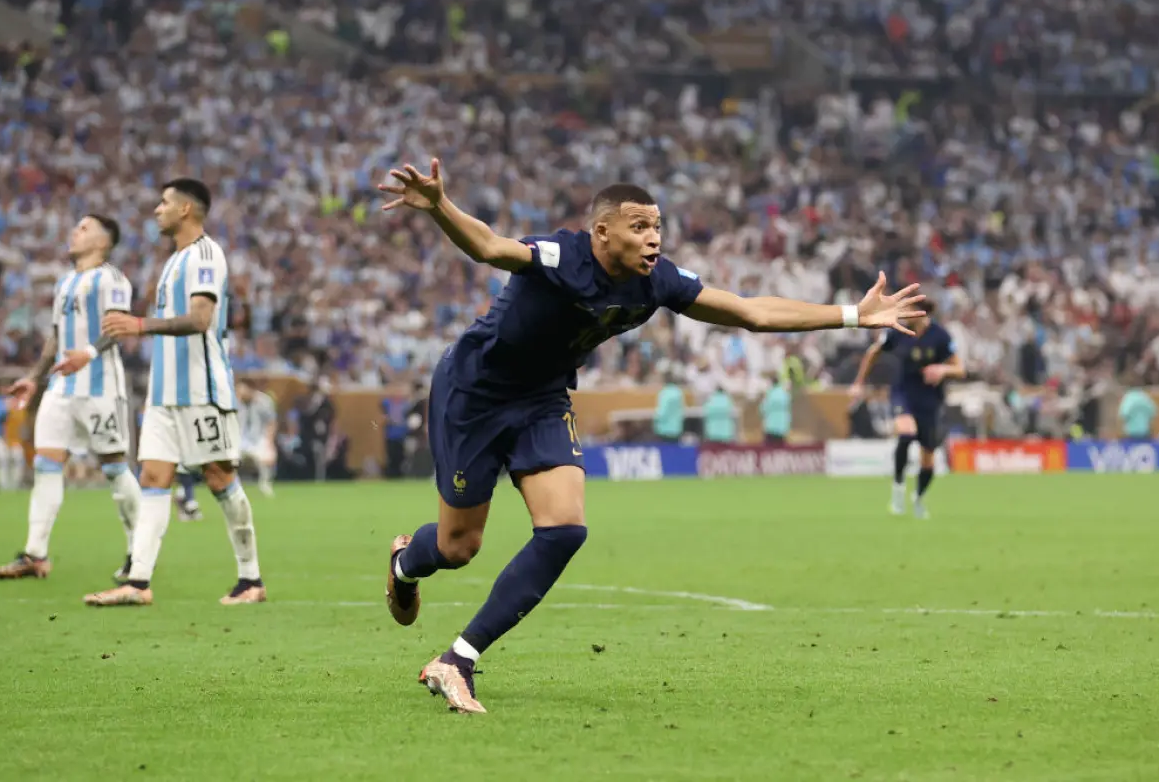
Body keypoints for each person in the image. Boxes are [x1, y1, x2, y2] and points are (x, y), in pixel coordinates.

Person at [376, 158, 925, 714]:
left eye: (657, 227)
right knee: (458, 546)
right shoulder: (562, 256)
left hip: (541, 400)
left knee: (565, 529)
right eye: (639, 227)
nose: (653, 238)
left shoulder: (657, 281)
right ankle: (406, 562)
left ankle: (458, 660)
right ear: (602, 232)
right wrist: (441, 206)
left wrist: (854, 314)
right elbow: (491, 247)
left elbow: (752, 313)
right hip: (474, 394)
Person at [80, 178, 265, 607]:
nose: (156, 210)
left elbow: (200, 319)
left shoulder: (205, 254)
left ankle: (250, 578)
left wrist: (140, 325)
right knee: (153, 478)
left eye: (163, 202)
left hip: (201, 392)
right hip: (164, 396)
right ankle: (138, 583)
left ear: (186, 210)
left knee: (220, 478)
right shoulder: (173, 261)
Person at [0, 215, 142, 582]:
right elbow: (56, 337)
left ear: (104, 242)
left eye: (85, 228)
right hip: (61, 388)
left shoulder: (112, 278)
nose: (75, 231)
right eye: (75, 226)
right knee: (46, 465)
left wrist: (88, 353)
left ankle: (139, 551)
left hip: (101, 386)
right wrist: (34, 377)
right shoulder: (65, 283)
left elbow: (118, 326)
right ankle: (35, 554)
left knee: (113, 467)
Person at [850, 301, 963, 519]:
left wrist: (943, 369)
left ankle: (919, 498)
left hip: (930, 399)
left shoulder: (940, 336)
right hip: (903, 393)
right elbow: (873, 352)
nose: (905, 314)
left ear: (922, 312)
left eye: (910, 310)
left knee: (928, 457)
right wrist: (859, 382)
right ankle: (898, 487)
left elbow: (960, 368)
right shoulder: (898, 332)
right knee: (906, 431)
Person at [237, 378, 278, 496]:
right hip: (241, 437)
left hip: (259, 436)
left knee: (266, 457)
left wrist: (270, 442)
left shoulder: (264, 401)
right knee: (230, 459)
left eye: (243, 391)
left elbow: (271, 422)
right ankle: (232, 487)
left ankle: (265, 484)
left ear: (251, 390)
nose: (240, 394)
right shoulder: (235, 402)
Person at [760, 375, 791, 445]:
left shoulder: (770, 394)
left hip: (771, 426)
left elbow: (763, 409)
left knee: (769, 448)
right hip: (782, 426)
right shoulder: (784, 393)